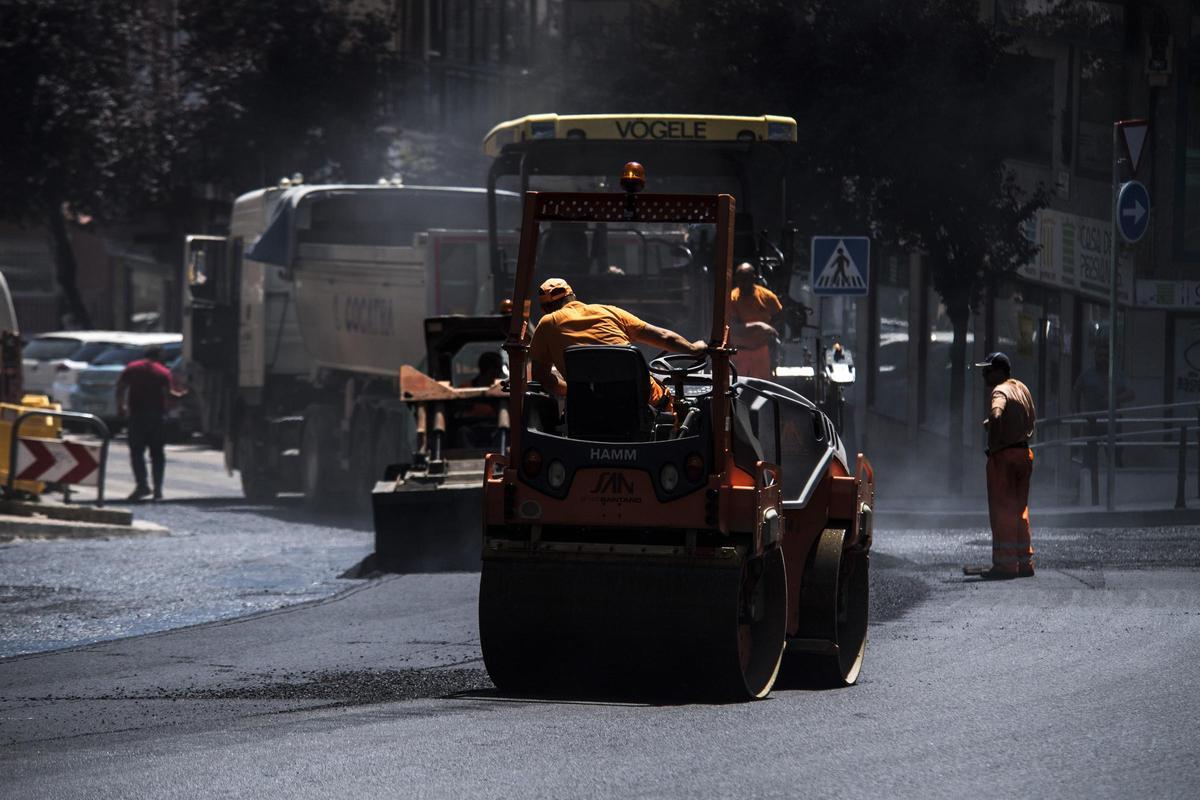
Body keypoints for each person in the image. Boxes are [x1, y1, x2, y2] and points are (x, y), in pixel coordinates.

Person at [528, 277, 706, 410]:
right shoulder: (609, 312)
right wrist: (693, 349)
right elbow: (665, 337)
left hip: (590, 411)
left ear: (544, 309)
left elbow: (542, 378)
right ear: (573, 297)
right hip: (642, 403)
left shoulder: (547, 324)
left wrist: (576, 390)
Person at [976, 352, 1037, 580]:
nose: (984, 375)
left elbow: (997, 413)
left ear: (1000, 372)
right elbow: (1026, 417)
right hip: (1024, 454)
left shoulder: (999, 391)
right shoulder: (1021, 388)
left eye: (988, 371)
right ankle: (1024, 562)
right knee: (1020, 510)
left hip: (1004, 457)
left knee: (1002, 511)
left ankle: (1005, 566)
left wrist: (994, 439)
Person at [116, 345, 185, 501]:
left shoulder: (132, 368)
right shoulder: (162, 372)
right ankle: (158, 489)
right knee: (157, 454)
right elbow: (168, 394)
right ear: (159, 356)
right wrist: (182, 395)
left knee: (137, 453)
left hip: (136, 416)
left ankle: (142, 485)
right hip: (156, 417)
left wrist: (121, 407)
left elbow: (120, 388)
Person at [1072, 342, 1135, 467]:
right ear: (1095, 356)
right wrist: (1076, 415)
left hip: (1111, 423)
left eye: (1106, 355)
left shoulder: (1117, 374)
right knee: (1089, 459)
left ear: (1110, 357)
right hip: (1091, 423)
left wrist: (1113, 399)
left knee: (1115, 459)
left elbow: (1131, 393)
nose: (1102, 358)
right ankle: (1090, 480)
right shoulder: (1087, 375)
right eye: (1100, 355)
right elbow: (1075, 393)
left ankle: (1116, 479)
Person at [729, 263, 783, 379]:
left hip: (762, 352)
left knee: (761, 387)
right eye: (741, 280)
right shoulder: (732, 299)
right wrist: (760, 326)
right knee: (737, 386)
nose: (744, 283)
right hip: (739, 353)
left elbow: (778, 317)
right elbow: (735, 329)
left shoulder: (768, 297)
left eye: (747, 279)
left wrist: (772, 335)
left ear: (754, 278)